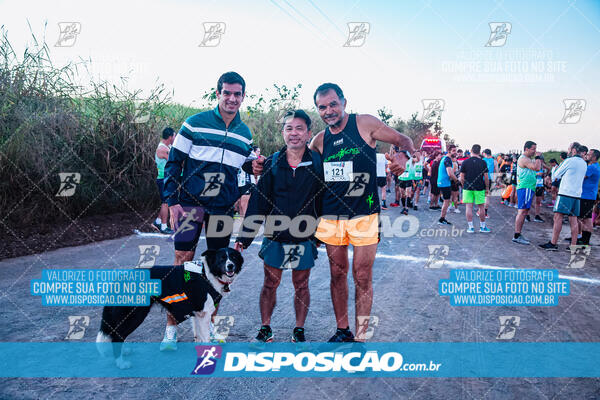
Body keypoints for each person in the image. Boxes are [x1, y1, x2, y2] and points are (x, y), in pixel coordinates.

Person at [305, 83, 414, 342]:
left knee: (362, 275)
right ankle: (342, 330)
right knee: (337, 273)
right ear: (318, 110)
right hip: (332, 216)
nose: (329, 111)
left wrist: (403, 157)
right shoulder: (319, 141)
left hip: (364, 214)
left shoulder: (365, 124)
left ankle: (362, 334)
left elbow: (404, 141)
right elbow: (306, 173)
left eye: (333, 104)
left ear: (344, 102)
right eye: (322, 107)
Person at [161, 71, 253, 349]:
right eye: (227, 93)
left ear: (243, 97)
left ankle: (209, 326)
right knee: (183, 262)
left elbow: (246, 168)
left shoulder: (245, 133)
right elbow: (174, 163)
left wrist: (243, 193)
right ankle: (171, 328)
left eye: (237, 94)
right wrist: (172, 199)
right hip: (189, 204)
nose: (232, 98)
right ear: (218, 94)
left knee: (219, 271)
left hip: (222, 209)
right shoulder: (194, 123)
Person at [235, 110, 323, 343]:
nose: (294, 133)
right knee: (269, 284)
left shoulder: (318, 164)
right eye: (289, 128)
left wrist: (321, 234)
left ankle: (299, 329)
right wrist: (244, 238)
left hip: (304, 237)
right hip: (275, 236)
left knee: (301, 285)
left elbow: (326, 200)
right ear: (282, 132)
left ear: (308, 133)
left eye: (299, 128)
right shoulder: (272, 163)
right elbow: (258, 202)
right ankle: (266, 328)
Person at [539, 143, 588, 250]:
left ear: (574, 150)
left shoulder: (569, 161)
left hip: (565, 193)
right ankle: (573, 245)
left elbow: (556, 174)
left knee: (558, 217)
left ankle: (553, 243)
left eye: (569, 149)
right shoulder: (584, 163)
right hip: (576, 194)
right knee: (573, 219)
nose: (568, 151)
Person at [512, 141, 542, 245]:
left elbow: (535, 170)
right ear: (526, 149)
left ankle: (518, 234)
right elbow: (537, 168)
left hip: (527, 187)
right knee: (522, 211)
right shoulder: (524, 159)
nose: (535, 151)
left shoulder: (527, 159)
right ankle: (517, 235)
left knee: (524, 211)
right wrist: (538, 157)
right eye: (533, 149)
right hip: (525, 187)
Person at [460, 144, 490, 233]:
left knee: (468, 207)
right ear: (480, 152)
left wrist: (463, 185)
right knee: (481, 208)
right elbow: (486, 177)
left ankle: (470, 227)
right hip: (479, 187)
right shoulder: (483, 162)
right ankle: (483, 227)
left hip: (467, 187)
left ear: (471, 150)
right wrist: (487, 188)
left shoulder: (465, 162)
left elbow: (462, 177)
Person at [154, 127, 175, 234]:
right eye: (174, 136)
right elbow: (174, 160)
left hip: (166, 178)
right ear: (170, 137)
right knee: (165, 203)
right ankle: (163, 227)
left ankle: (157, 221)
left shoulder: (168, 146)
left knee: (165, 202)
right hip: (163, 179)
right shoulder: (162, 149)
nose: (175, 138)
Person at [577, 148, 599, 245]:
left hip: (587, 196)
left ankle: (585, 240)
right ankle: (584, 239)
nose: (587, 155)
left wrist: (583, 162)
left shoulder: (592, 167)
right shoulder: (595, 166)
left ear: (594, 157)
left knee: (585, 218)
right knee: (586, 218)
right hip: (589, 195)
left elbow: (581, 176)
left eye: (589, 154)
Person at [437, 145, 458, 225]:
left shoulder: (446, 159)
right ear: (449, 151)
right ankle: (441, 219)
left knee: (447, 201)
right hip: (444, 183)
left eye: (455, 150)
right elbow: (450, 173)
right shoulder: (447, 159)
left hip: (443, 182)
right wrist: (457, 181)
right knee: (446, 202)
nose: (455, 152)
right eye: (453, 150)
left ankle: (442, 218)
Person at [482, 149, 497, 218]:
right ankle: (485, 212)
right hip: (490, 179)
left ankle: (480, 211)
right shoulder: (494, 161)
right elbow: (497, 171)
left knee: (481, 196)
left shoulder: (482, 160)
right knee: (487, 196)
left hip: (481, 179)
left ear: (485, 153)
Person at [532, 154, 547, 223]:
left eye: (542, 160)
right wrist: (536, 174)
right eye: (540, 160)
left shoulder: (542, 165)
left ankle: (537, 216)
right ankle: (527, 215)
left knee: (538, 201)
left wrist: (545, 175)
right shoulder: (532, 164)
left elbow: (548, 169)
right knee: (530, 200)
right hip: (533, 184)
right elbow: (528, 174)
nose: (541, 161)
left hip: (540, 184)